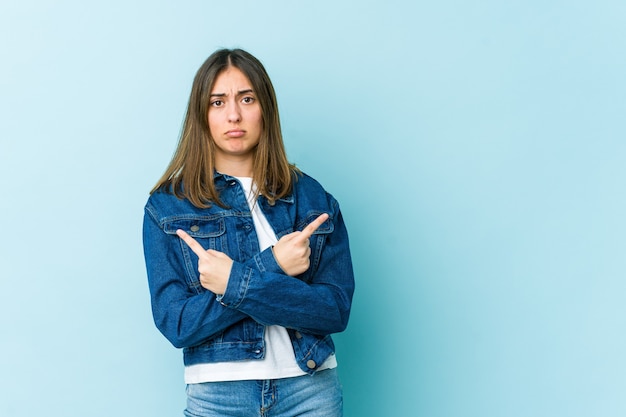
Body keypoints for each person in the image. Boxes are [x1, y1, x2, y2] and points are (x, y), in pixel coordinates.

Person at [142, 48, 355, 417]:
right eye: (217, 102)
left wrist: (233, 281)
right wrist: (273, 265)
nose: (234, 115)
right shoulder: (168, 207)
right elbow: (177, 324)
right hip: (218, 398)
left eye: (246, 98)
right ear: (201, 114)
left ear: (265, 109)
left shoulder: (313, 199)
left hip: (310, 392)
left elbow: (333, 312)